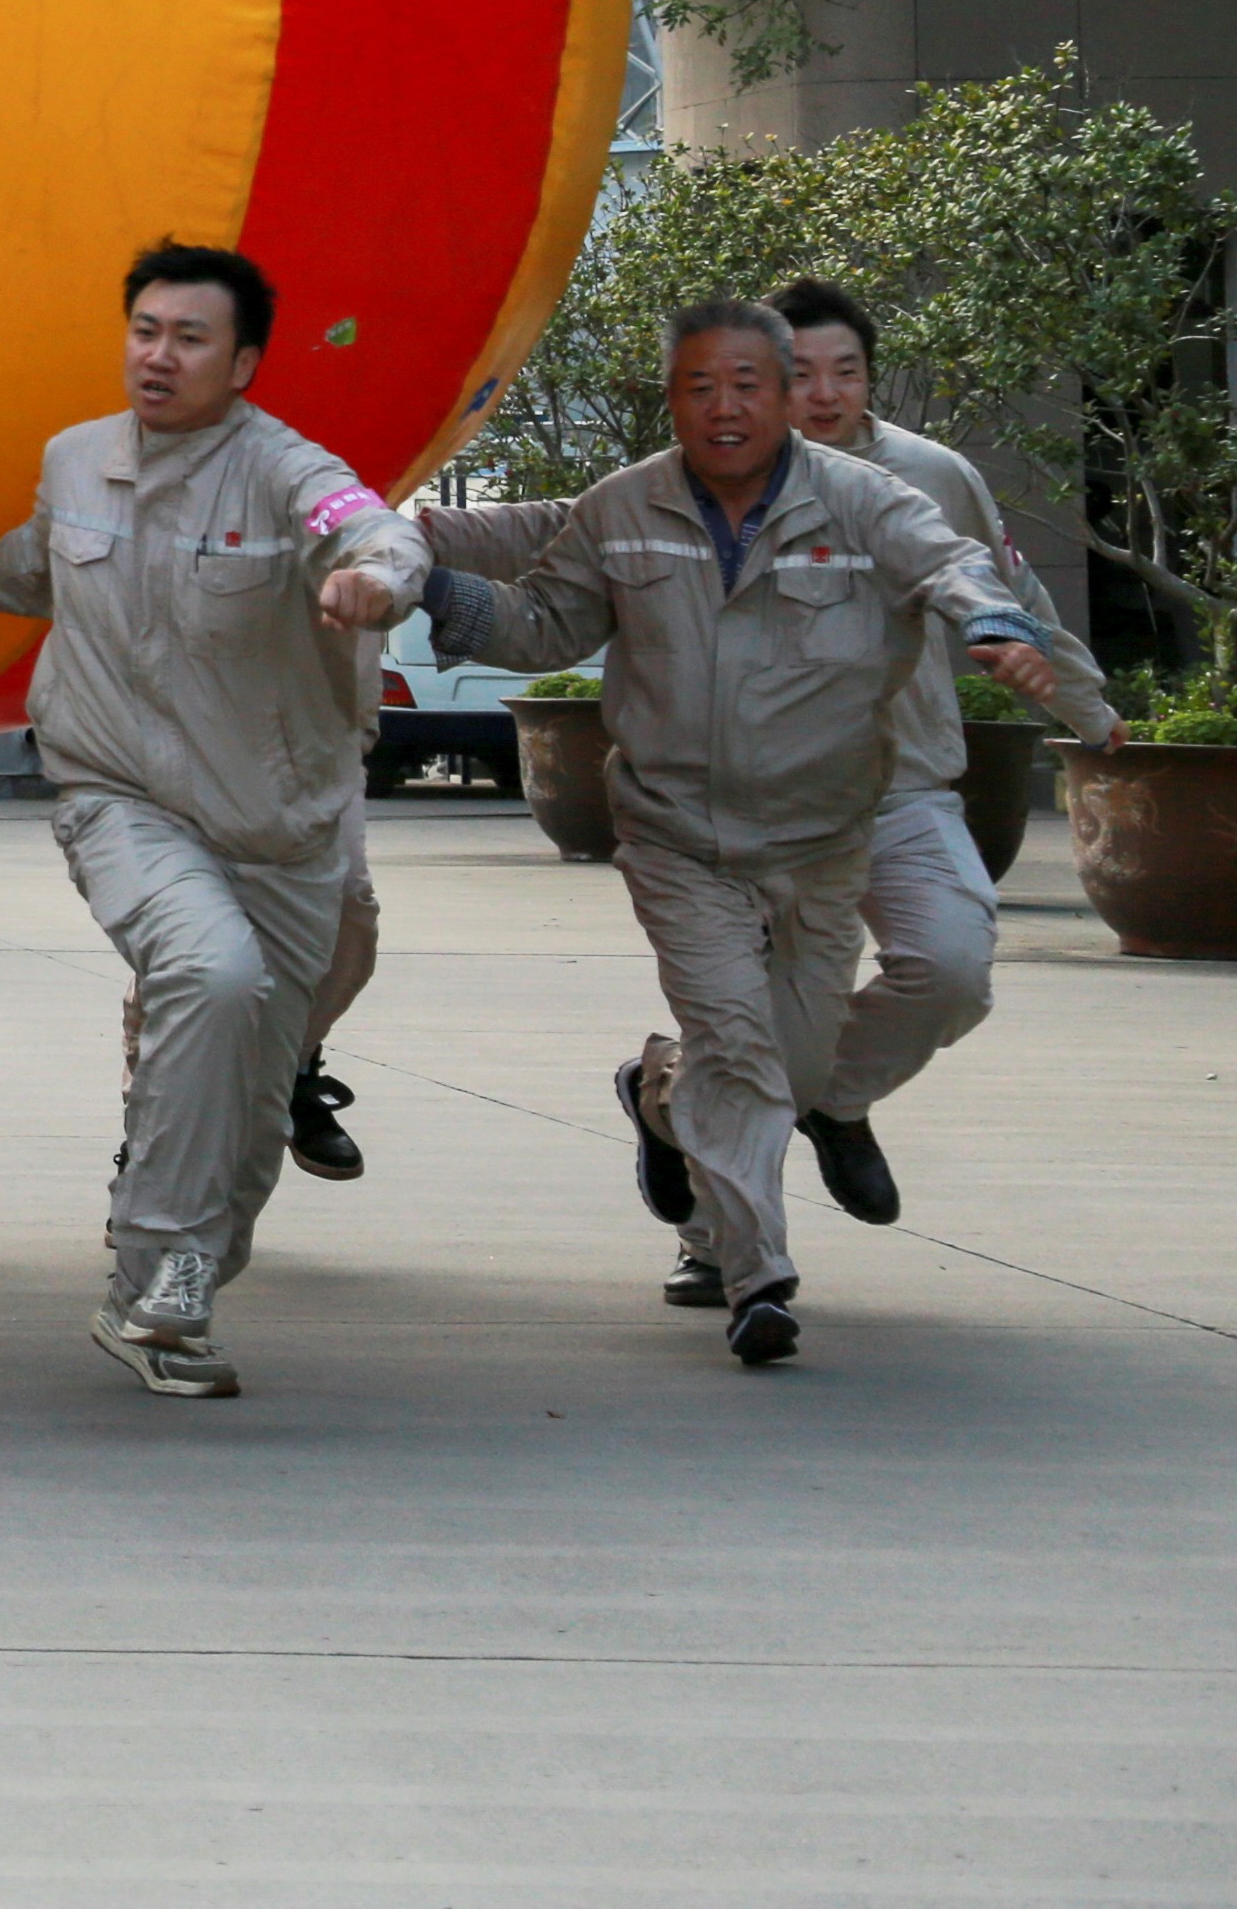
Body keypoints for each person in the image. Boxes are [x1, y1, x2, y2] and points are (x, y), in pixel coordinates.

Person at [412, 303, 1077, 1368]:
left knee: (796, 1065)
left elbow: (954, 566)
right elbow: (545, 620)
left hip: (826, 835)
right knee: (740, 1046)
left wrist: (995, 629)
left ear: (786, 397)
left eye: (748, 386)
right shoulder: (623, 508)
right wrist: (433, 584)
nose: (725, 408)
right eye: (697, 387)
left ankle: (660, 1095)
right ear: (670, 398)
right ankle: (754, 1274)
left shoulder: (871, 500)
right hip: (679, 835)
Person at [0, 242, 424, 1397]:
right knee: (212, 975)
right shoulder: (76, 457)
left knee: (253, 1071)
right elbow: (47, 565)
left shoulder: (290, 471)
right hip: (118, 790)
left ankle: (185, 1278)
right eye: (145, 329)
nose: (158, 354)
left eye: (189, 338)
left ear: (242, 363)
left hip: (281, 817)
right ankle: (162, 1266)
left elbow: (373, 526)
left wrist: (375, 578)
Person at [769, 277, 1108, 1234]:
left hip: (904, 781)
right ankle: (719, 1248)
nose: (827, 393)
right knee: (761, 1014)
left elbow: (1012, 594)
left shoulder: (932, 473)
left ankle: (827, 1100)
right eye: (801, 375)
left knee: (951, 969)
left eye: (848, 371)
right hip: (763, 799)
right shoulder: (717, 480)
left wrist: (1087, 707)